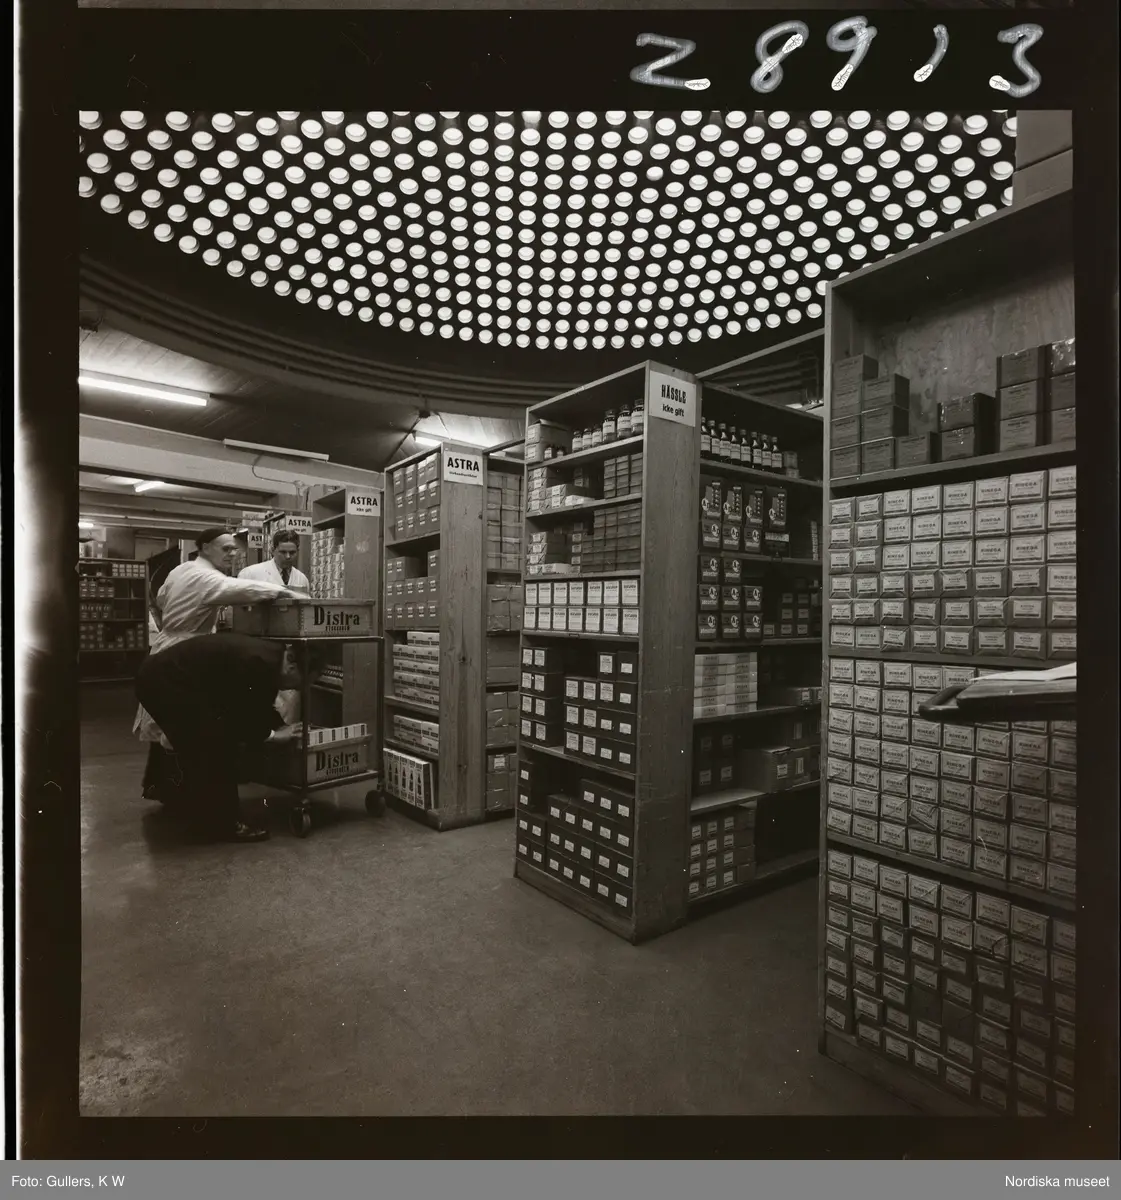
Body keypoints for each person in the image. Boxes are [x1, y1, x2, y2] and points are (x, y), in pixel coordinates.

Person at [136, 527, 297, 799]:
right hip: (186, 651)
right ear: (205, 547)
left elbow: (162, 597)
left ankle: (163, 787)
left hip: (169, 645)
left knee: (168, 723)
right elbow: (243, 589)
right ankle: (187, 792)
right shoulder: (206, 577)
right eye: (226, 548)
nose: (232, 553)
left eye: (234, 548)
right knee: (185, 727)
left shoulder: (180, 570)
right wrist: (287, 594)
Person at [135, 632, 326, 843]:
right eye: (302, 682)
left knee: (202, 744)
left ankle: (199, 813)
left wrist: (282, 726)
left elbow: (257, 705)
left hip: (163, 677)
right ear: (292, 665)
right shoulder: (257, 663)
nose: (300, 688)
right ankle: (223, 824)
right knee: (215, 745)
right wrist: (274, 735)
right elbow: (239, 716)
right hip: (165, 683)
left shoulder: (269, 658)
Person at [238, 529, 310, 593]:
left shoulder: (302, 579)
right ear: (272, 550)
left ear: (298, 551)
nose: (288, 556)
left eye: (292, 552)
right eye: (283, 552)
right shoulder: (250, 574)